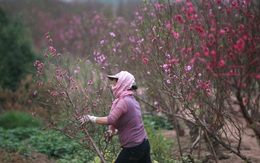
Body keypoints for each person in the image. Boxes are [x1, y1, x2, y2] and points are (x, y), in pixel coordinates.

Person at [79, 71, 152, 163]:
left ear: (122, 83)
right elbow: (131, 124)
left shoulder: (124, 102)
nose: (113, 85)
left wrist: (90, 118)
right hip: (143, 144)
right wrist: (115, 131)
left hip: (133, 148)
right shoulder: (132, 101)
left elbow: (111, 119)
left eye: (114, 82)